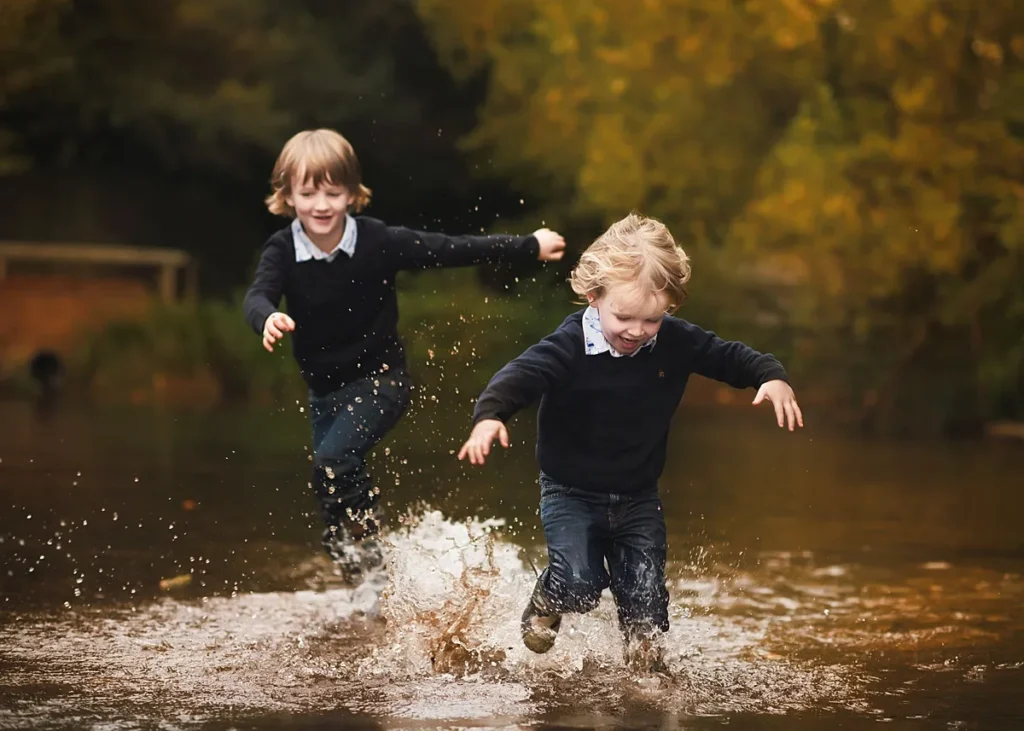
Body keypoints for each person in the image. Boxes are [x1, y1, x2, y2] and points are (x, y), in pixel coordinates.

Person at [457, 212, 803, 670]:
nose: (637, 331)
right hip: (570, 492)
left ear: (669, 309)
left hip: (638, 497)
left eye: (652, 320)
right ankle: (547, 597)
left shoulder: (674, 342)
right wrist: (489, 417)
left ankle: (644, 682)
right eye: (624, 316)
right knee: (579, 583)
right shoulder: (568, 346)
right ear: (593, 295)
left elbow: (730, 356)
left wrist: (771, 376)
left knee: (645, 599)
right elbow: (519, 376)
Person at [243, 128, 566, 579]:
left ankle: (377, 564)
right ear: (288, 195)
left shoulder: (378, 241)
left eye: (333, 193)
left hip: (382, 381)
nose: (321, 205)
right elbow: (257, 296)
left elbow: (449, 248)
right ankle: (365, 581)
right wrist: (267, 318)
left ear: (352, 194)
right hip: (324, 394)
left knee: (334, 462)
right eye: (308, 193)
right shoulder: (282, 250)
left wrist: (528, 245)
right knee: (329, 494)